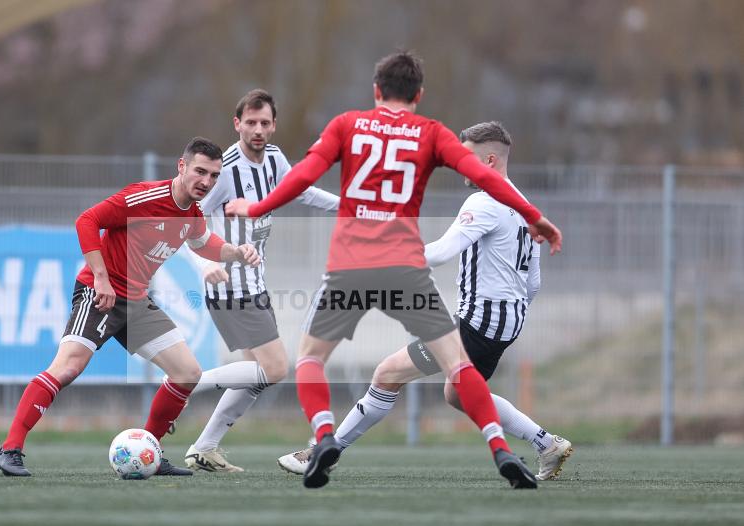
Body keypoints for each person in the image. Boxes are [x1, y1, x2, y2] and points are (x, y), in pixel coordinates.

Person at [226, 51, 562, 489]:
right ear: (419, 95)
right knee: (459, 369)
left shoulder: (347, 124)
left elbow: (305, 175)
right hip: (405, 266)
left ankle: (325, 435)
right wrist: (533, 214)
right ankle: (500, 448)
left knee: (310, 358)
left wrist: (257, 207)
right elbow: (489, 180)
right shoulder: (432, 133)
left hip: (351, 263)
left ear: (375, 91)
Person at [277, 121, 573, 481]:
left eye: (467, 157)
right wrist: (509, 312)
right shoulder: (524, 205)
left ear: (490, 159)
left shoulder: (484, 202)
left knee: (387, 374)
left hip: (478, 323)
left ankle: (327, 450)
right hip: (504, 322)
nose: (460, 164)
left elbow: (444, 251)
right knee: (459, 395)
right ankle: (546, 443)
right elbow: (534, 283)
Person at [0, 137, 261, 477]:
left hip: (135, 301)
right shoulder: (145, 196)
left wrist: (236, 252)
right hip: (100, 292)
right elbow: (87, 221)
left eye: (213, 176)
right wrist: (101, 278)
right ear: (182, 166)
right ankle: (10, 448)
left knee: (186, 373)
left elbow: (204, 242)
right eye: (199, 172)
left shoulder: (191, 214)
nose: (205, 182)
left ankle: (152, 450)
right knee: (68, 367)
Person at [182, 89, 339, 473]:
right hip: (229, 285)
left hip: (254, 283)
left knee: (256, 378)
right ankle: (183, 382)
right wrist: (204, 266)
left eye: (264, 122)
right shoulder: (224, 170)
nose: (257, 129)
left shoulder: (274, 159)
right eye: (250, 122)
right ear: (237, 124)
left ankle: (205, 447)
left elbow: (301, 191)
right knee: (276, 368)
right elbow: (185, 223)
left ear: (273, 125)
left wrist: (350, 205)